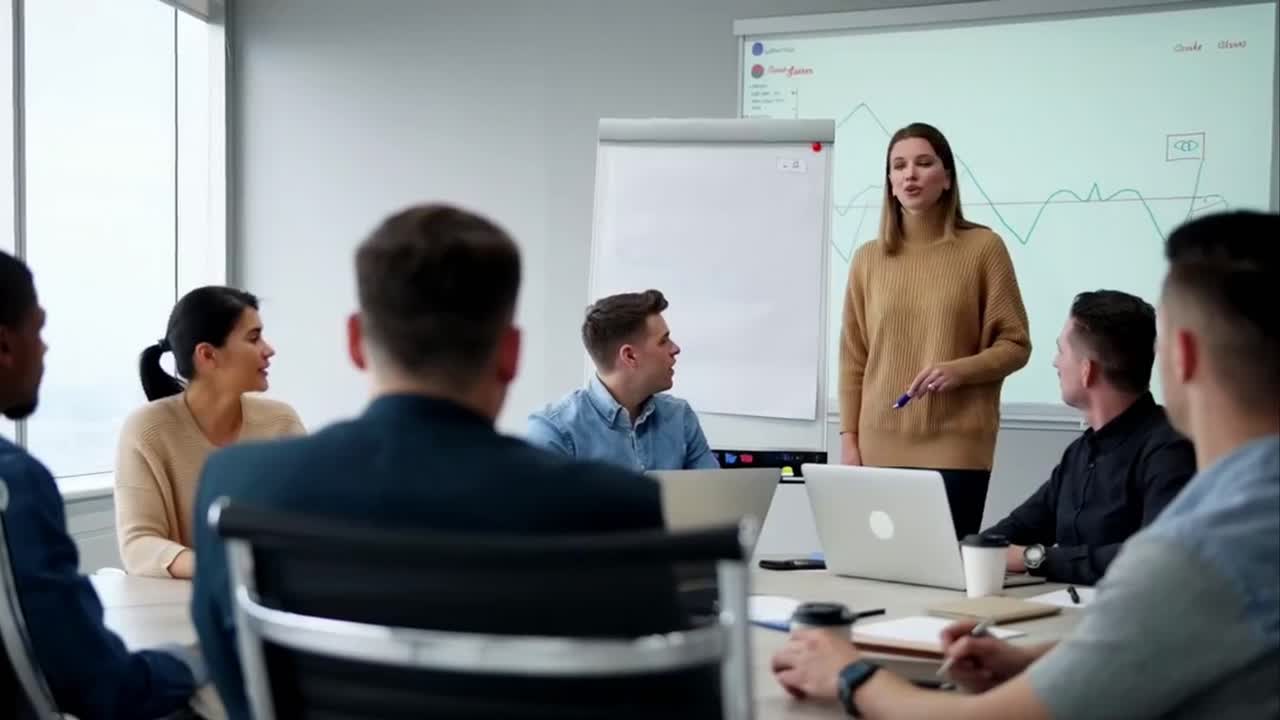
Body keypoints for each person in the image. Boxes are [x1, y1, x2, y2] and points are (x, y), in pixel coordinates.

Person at [770, 211, 1278, 719]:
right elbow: (1163, 638)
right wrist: (1030, 660)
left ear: (1183, 356)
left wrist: (849, 672)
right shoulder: (1242, 513)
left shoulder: (1196, 552)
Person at [191, 205, 683, 718]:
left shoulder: (235, 487)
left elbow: (238, 691)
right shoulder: (616, 507)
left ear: (356, 342)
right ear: (511, 353)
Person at [0, 250, 203, 718]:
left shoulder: (277, 419)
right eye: (39, 329)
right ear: (5, 345)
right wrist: (195, 661)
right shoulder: (14, 484)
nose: (45, 348)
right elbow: (101, 685)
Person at [839, 122, 1030, 538]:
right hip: (877, 448)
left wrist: (961, 370)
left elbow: (1016, 344)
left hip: (957, 447)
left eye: (924, 163)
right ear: (889, 183)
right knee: (879, 576)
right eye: (899, 166)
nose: (910, 174)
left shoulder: (984, 248)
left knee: (943, 581)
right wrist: (850, 440)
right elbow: (854, 358)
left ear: (946, 179)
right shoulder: (868, 259)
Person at [983, 290, 1195, 585]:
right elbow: (1016, 529)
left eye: (1061, 351)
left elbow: (1155, 556)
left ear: (1087, 371)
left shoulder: (1170, 448)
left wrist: (1035, 558)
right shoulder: (1079, 453)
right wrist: (968, 549)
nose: (1055, 363)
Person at [114, 286, 304, 578]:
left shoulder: (281, 422)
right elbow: (139, 546)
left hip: (274, 599)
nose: (269, 349)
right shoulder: (146, 430)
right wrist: (228, 569)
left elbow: (309, 521)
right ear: (207, 355)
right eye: (254, 338)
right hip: (183, 605)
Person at [527, 289, 717, 471]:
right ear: (630, 356)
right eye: (663, 341)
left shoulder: (680, 417)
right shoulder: (554, 431)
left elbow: (713, 497)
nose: (675, 349)